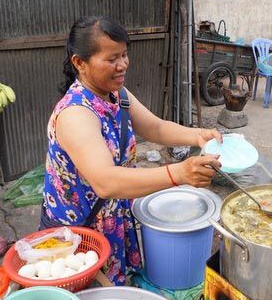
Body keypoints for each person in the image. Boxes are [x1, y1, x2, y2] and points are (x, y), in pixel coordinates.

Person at [41, 15, 222, 285]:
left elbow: (156, 128)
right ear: (80, 63)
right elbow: (105, 182)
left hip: (113, 219)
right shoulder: (75, 113)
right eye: (112, 59)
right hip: (78, 238)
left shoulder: (117, 95)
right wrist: (179, 174)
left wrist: (199, 136)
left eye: (124, 55)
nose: (123, 64)